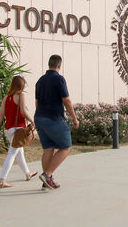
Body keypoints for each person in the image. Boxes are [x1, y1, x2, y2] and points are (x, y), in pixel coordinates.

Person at [34, 54, 79, 190]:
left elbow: (36, 102)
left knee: (48, 148)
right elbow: (66, 100)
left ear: (49, 64)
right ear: (59, 65)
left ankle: (47, 181)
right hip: (54, 118)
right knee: (66, 147)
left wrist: (41, 116)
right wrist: (74, 118)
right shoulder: (59, 79)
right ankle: (47, 175)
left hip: (39, 117)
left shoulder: (40, 81)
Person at [0, 76, 38, 188]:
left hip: (8, 129)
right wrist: (32, 120)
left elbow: (1, 115)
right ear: (22, 86)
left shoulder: (6, 97)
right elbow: (23, 111)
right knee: (12, 153)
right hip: (18, 129)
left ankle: (27, 174)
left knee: (19, 152)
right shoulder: (21, 95)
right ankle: (2, 179)